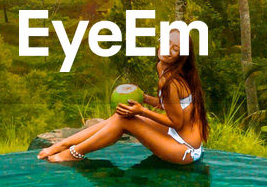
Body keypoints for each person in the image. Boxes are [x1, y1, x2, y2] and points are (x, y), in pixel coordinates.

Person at [38, 31, 209, 164]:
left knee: (125, 120)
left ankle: (74, 153)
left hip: (185, 149)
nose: (167, 49)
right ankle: (62, 144)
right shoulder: (162, 67)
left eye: (175, 49)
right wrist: (146, 99)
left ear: (182, 55)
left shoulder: (171, 82)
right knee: (120, 115)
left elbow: (176, 121)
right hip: (178, 136)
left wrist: (142, 111)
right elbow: (170, 105)